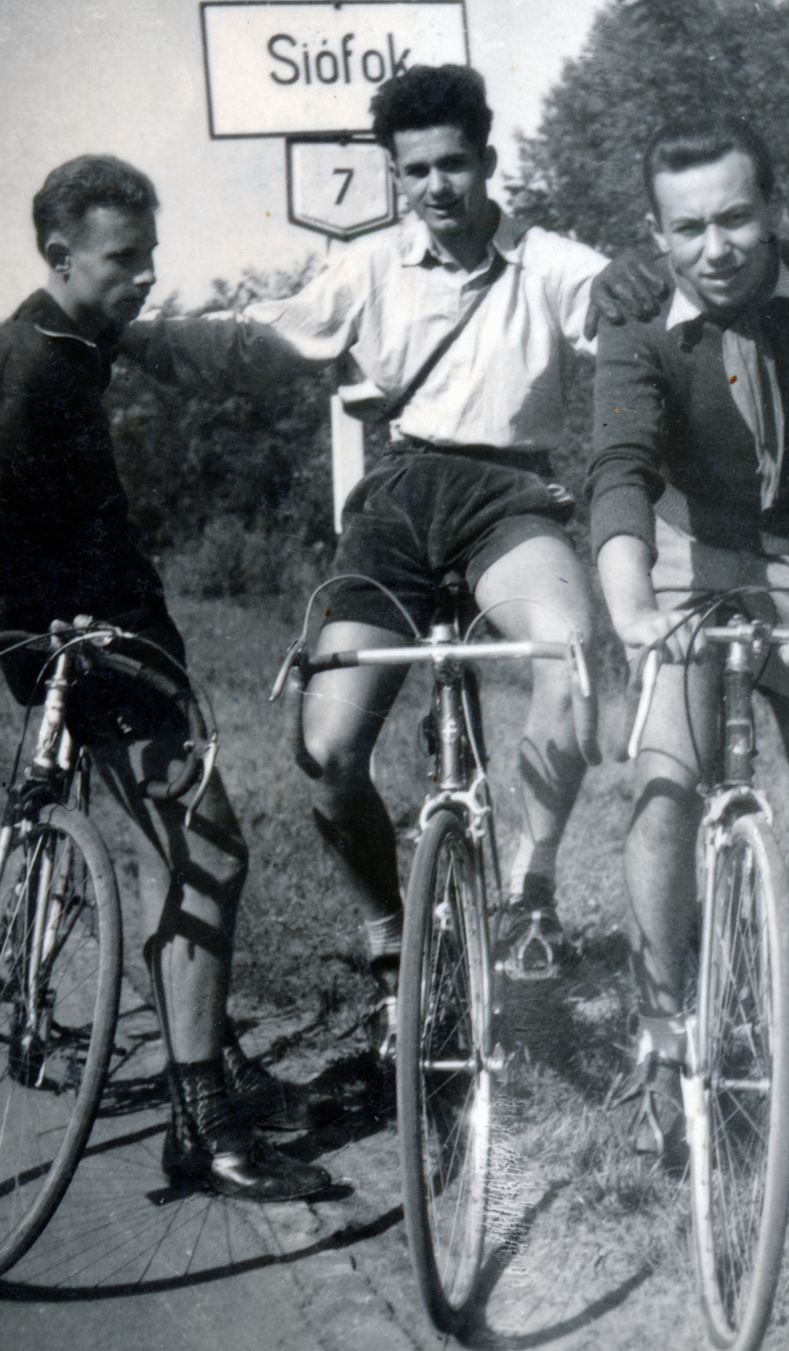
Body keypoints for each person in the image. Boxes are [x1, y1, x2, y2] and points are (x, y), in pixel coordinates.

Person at [124, 64, 607, 1008]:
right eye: (416, 169)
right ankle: (390, 925)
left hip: (509, 500)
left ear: (488, 161)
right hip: (396, 499)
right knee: (330, 747)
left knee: (570, 651)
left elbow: (633, 315)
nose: (438, 187)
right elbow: (262, 336)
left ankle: (531, 894)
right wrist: (128, 333)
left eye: (455, 164)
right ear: (396, 176)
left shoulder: (550, 262)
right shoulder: (372, 266)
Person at [0, 156, 334, 1201]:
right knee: (206, 855)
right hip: (101, 646)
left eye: (150, 257)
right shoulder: (29, 371)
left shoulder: (59, 338)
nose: (143, 278)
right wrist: (58, 629)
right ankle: (205, 1126)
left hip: (84, 639)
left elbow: (155, 342)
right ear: (60, 254)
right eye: (125, 261)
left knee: (159, 861)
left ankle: (202, 1061)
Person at [587, 111, 789, 1152]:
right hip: (688, 553)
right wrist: (633, 615)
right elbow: (620, 468)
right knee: (661, 781)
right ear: (656, 233)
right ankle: (660, 1024)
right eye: (686, 228)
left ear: (771, 207)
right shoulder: (631, 309)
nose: (713, 249)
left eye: (734, 219)